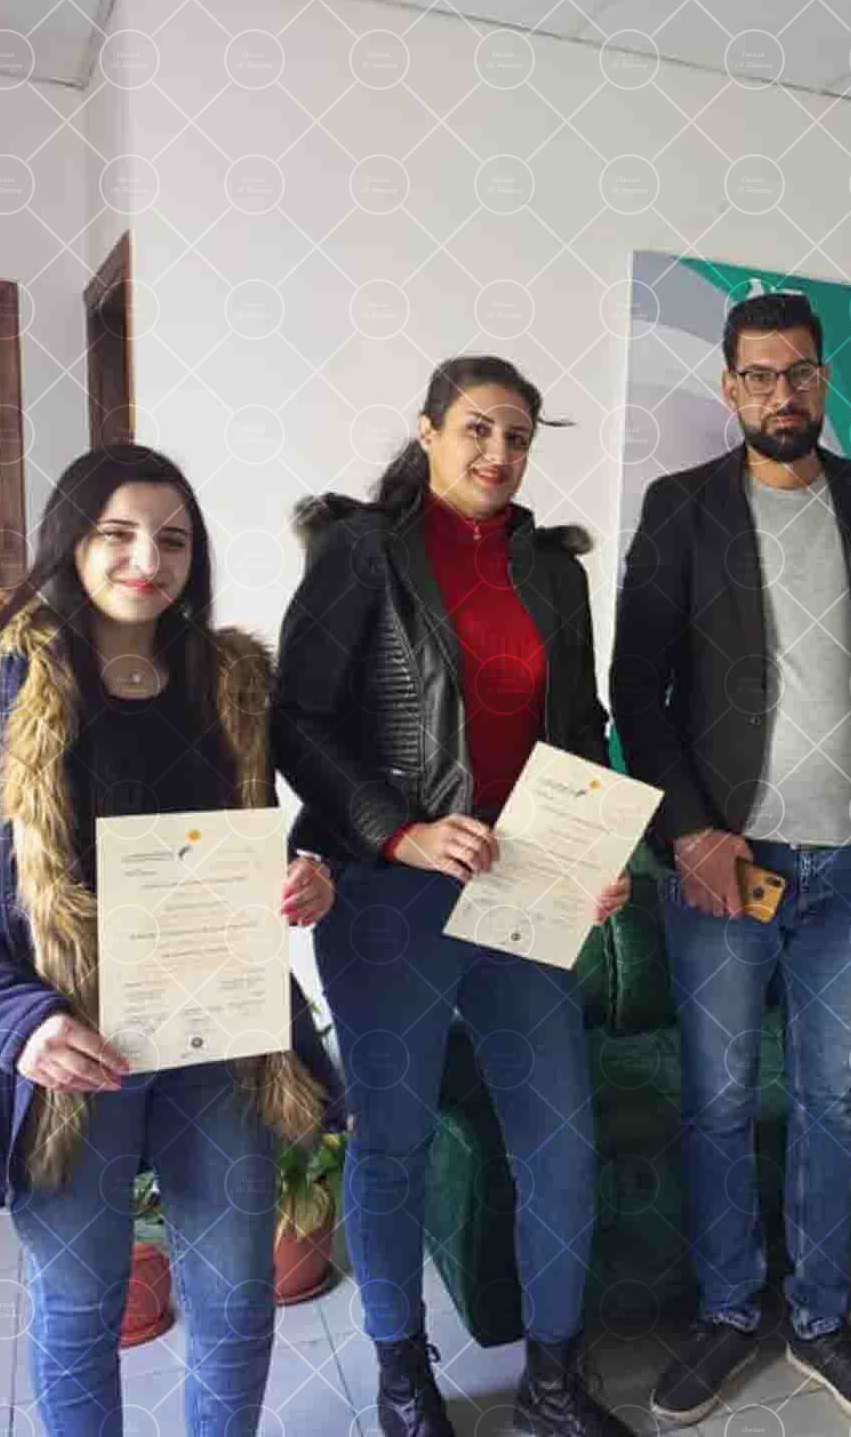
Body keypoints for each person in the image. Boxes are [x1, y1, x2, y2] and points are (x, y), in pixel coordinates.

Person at [0, 444, 340, 1437]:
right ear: (69, 541)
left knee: (238, 1299)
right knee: (80, 1307)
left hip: (216, 1041)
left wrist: (296, 878)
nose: (148, 559)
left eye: (173, 540)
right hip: (68, 1056)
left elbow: (227, 851)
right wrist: (17, 1021)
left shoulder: (228, 686)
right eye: (118, 533)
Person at [273, 356, 633, 1437]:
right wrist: (402, 829)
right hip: (387, 896)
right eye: (477, 428)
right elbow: (297, 719)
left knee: (559, 1143)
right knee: (393, 1142)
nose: (498, 452)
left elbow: (582, 727)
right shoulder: (360, 552)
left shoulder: (553, 570)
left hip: (527, 893)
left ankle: (553, 1383)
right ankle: (403, 1378)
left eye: (518, 435)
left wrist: (598, 848)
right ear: (429, 431)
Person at [611, 290, 851, 1434]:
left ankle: (820, 1319)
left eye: (799, 371)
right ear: (730, 386)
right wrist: (688, 832)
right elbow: (635, 687)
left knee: (834, 1102)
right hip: (725, 866)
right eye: (759, 375)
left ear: (823, 379)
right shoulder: (681, 508)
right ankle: (724, 1312)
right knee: (716, 1099)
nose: (781, 393)